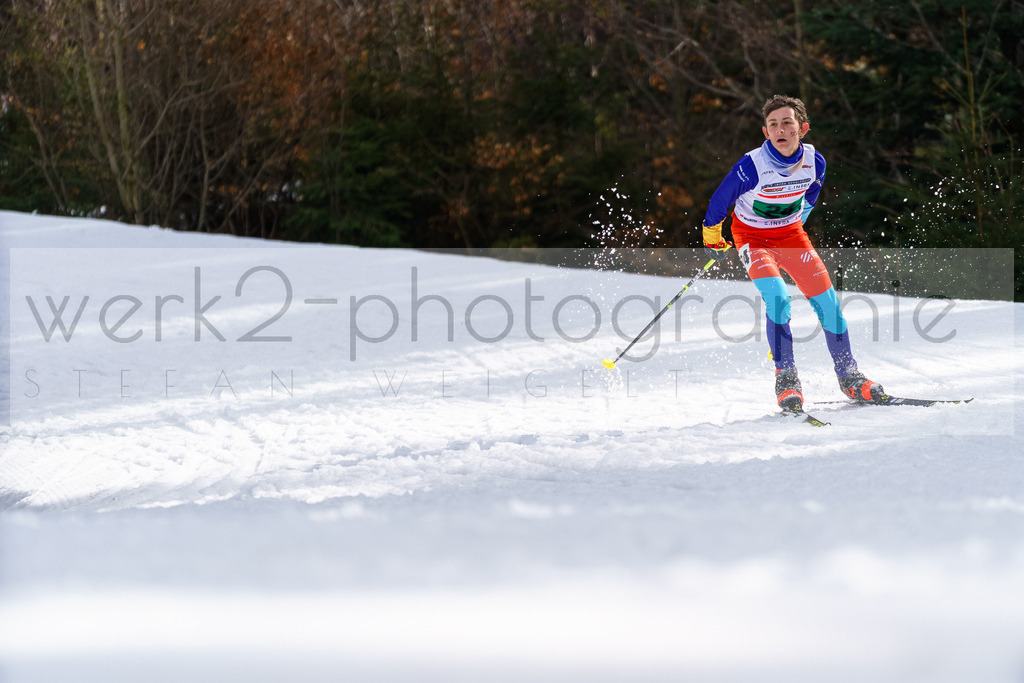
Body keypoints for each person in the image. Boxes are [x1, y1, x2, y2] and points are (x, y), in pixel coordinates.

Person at [700, 94, 883, 411]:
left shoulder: (816, 162)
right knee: (778, 297)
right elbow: (719, 202)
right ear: (765, 132)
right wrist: (712, 236)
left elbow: (810, 195)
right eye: (773, 124)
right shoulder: (752, 166)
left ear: (803, 128)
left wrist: (796, 225)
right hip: (751, 238)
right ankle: (786, 380)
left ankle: (849, 376)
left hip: (790, 236)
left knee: (828, 302)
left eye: (787, 123)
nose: (780, 129)